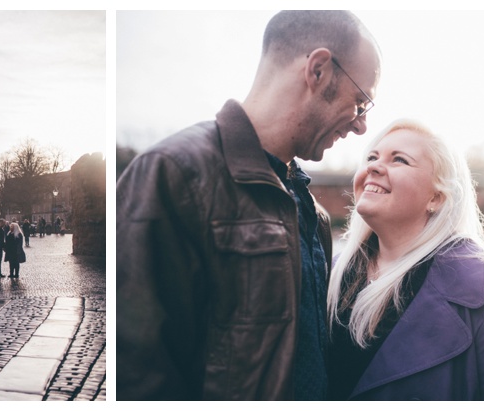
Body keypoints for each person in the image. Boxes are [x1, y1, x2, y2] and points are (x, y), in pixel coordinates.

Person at [117, 10, 381, 400]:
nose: (361, 126)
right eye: (360, 102)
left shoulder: (313, 213)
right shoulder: (172, 175)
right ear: (319, 70)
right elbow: (140, 376)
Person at [324, 120, 484, 400]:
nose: (374, 167)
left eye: (399, 160)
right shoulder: (329, 271)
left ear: (437, 197)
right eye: (371, 157)